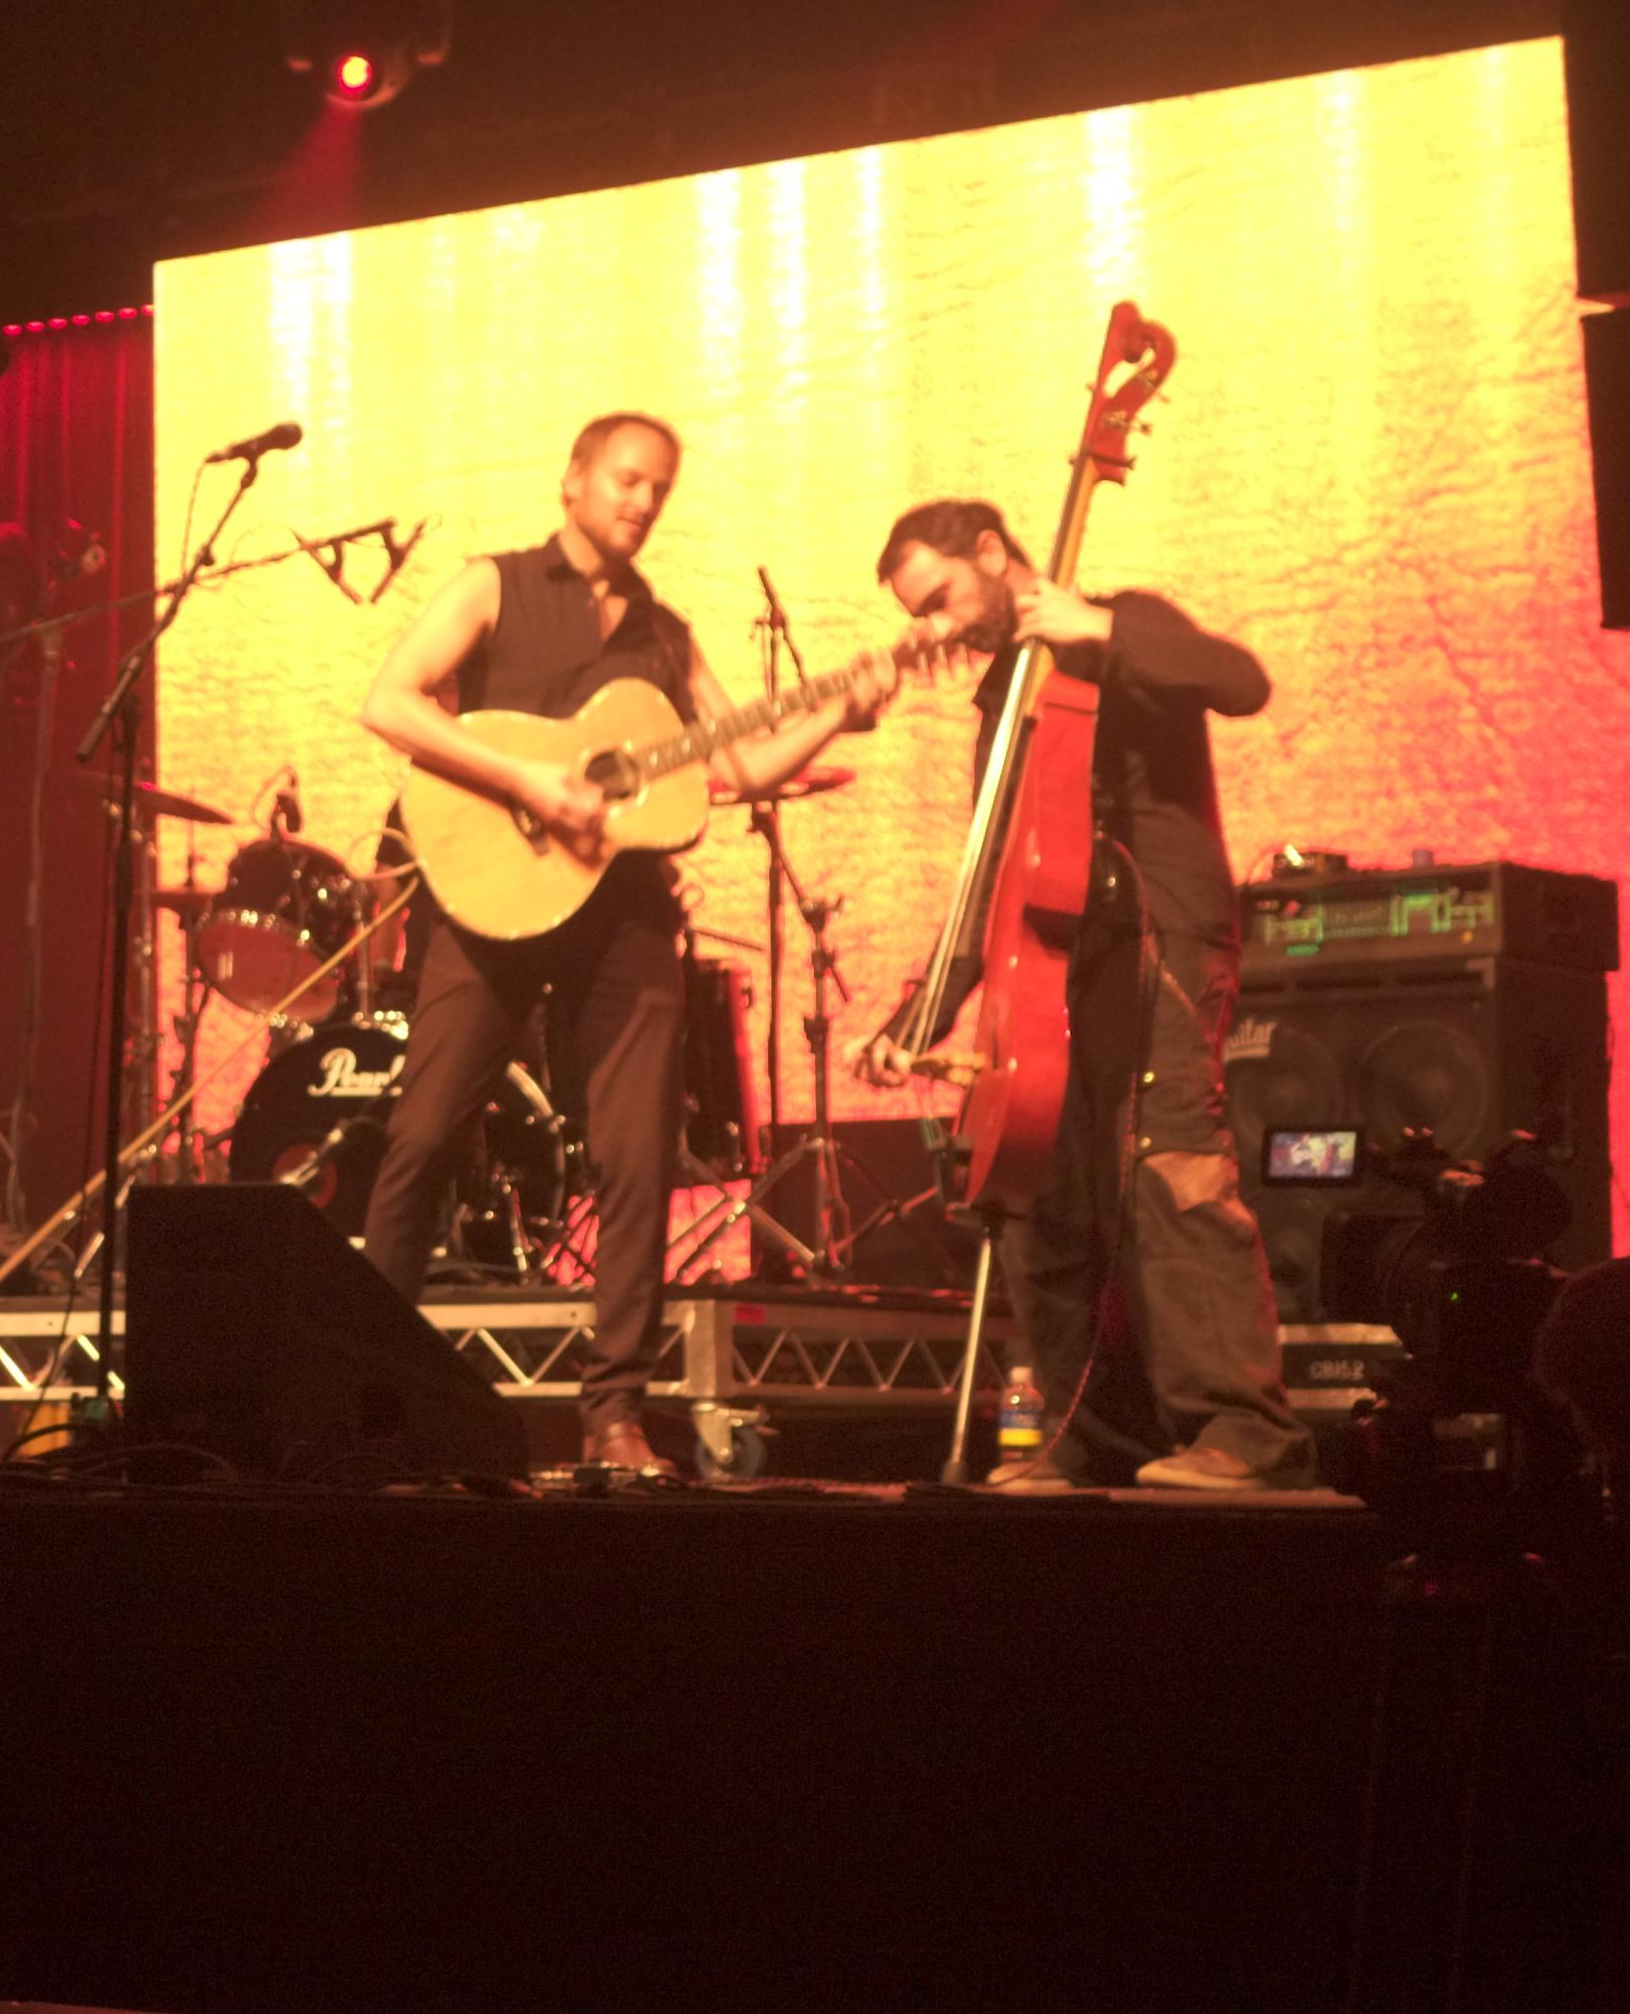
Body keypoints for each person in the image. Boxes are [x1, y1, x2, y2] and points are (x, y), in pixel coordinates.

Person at [358, 413, 895, 1474]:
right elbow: (388, 700)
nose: (642, 501)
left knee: (639, 1155)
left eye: (658, 488)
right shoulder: (494, 585)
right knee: (420, 1136)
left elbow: (736, 768)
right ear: (573, 479)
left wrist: (838, 712)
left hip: (625, 912)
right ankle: (361, 1390)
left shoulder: (664, 634)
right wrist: (524, 777)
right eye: (625, 479)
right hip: (489, 896)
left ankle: (613, 1412)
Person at [855, 500, 1308, 1492]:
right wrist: (917, 1018)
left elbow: (1241, 681)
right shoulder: (1001, 695)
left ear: (990, 552)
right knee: (1039, 1192)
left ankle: (1245, 1433)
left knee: (1171, 1166)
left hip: (1161, 936)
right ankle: (1081, 1435)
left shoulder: (1121, 621)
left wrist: (1099, 629)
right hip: (1057, 961)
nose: (936, 629)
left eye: (940, 599)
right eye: (920, 616)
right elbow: (995, 873)